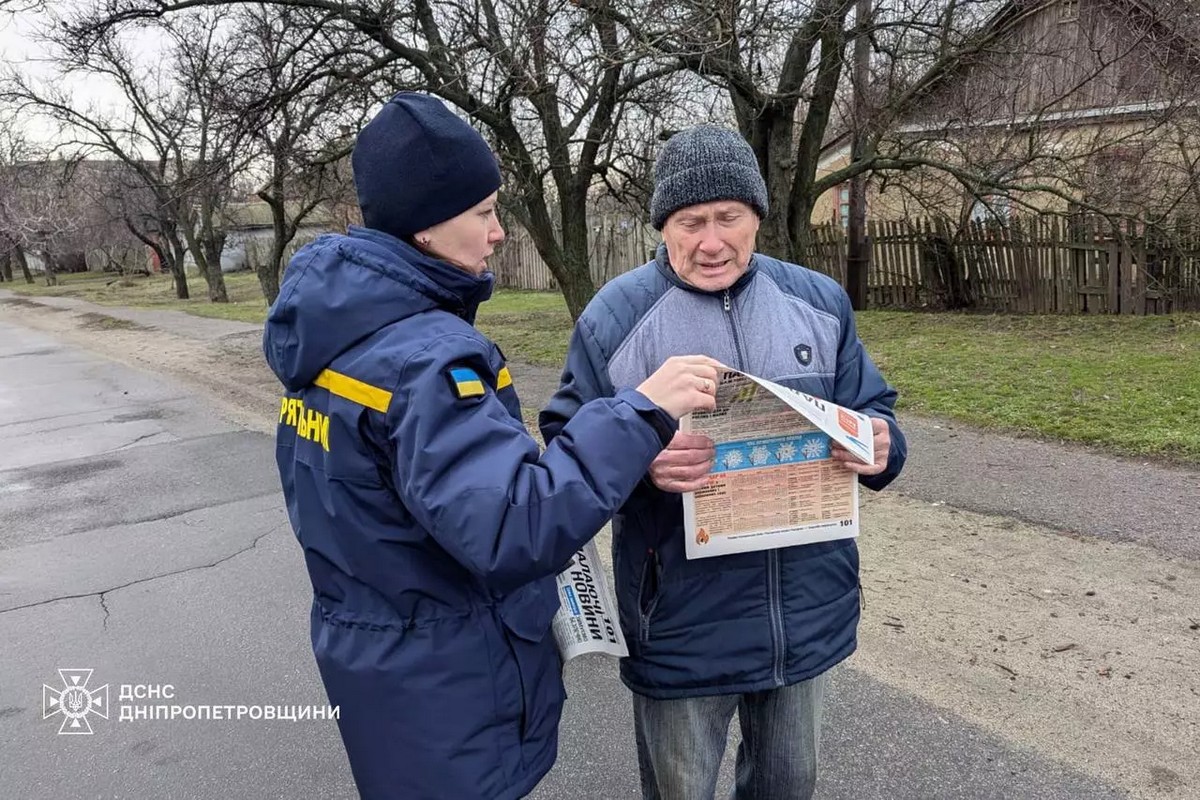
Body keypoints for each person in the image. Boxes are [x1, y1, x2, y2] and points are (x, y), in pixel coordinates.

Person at [262, 92, 721, 800]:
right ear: (426, 228)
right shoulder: (431, 361)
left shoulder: (334, 343)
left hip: (379, 663)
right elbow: (514, 525)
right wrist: (639, 411)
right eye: (483, 213)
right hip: (452, 681)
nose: (500, 232)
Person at [539, 125, 908, 800]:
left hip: (802, 617)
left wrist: (883, 445)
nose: (711, 241)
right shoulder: (615, 319)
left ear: (757, 219)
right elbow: (565, 452)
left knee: (788, 788)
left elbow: (874, 410)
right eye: (691, 222)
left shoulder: (819, 303)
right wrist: (642, 463)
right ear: (663, 227)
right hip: (678, 623)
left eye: (728, 218)